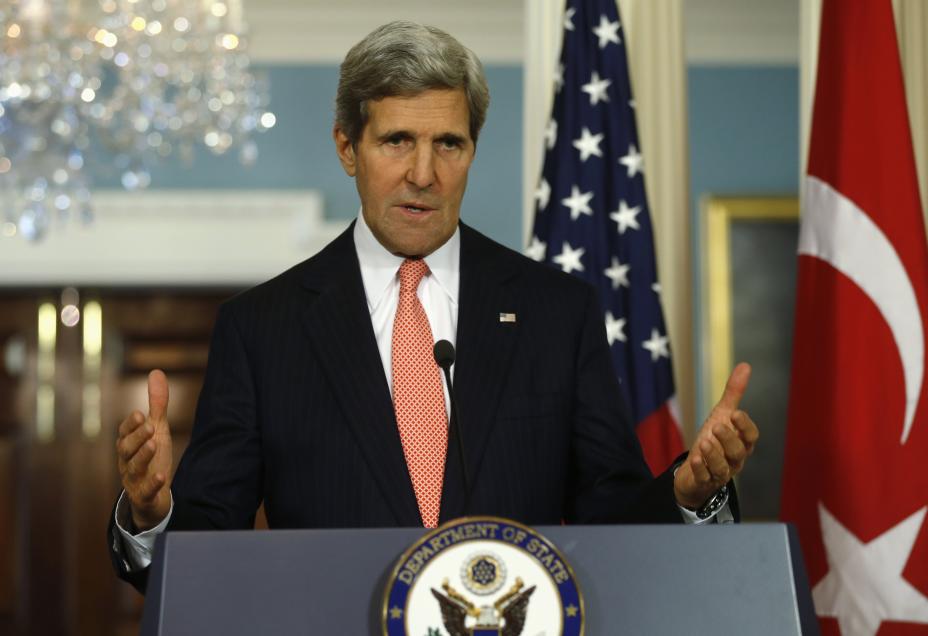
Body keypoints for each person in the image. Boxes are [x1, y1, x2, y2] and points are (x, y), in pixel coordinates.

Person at [108, 20, 758, 593]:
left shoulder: (556, 312)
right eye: (396, 141)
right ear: (347, 148)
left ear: (471, 150)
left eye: (448, 143)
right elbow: (204, 548)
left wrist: (685, 494)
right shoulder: (261, 328)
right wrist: (150, 516)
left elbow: (610, 518)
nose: (423, 173)